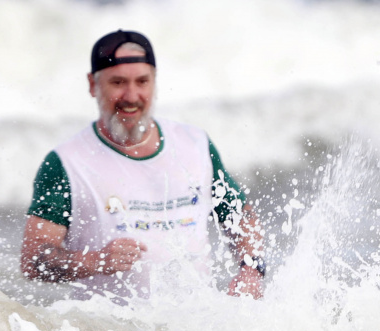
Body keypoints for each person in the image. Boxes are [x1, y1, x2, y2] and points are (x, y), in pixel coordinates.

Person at [21, 29, 265, 299]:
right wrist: (96, 260)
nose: (131, 96)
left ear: (154, 82)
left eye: (142, 81)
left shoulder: (195, 144)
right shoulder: (67, 163)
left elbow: (238, 216)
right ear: (92, 85)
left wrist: (251, 270)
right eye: (118, 82)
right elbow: (34, 260)